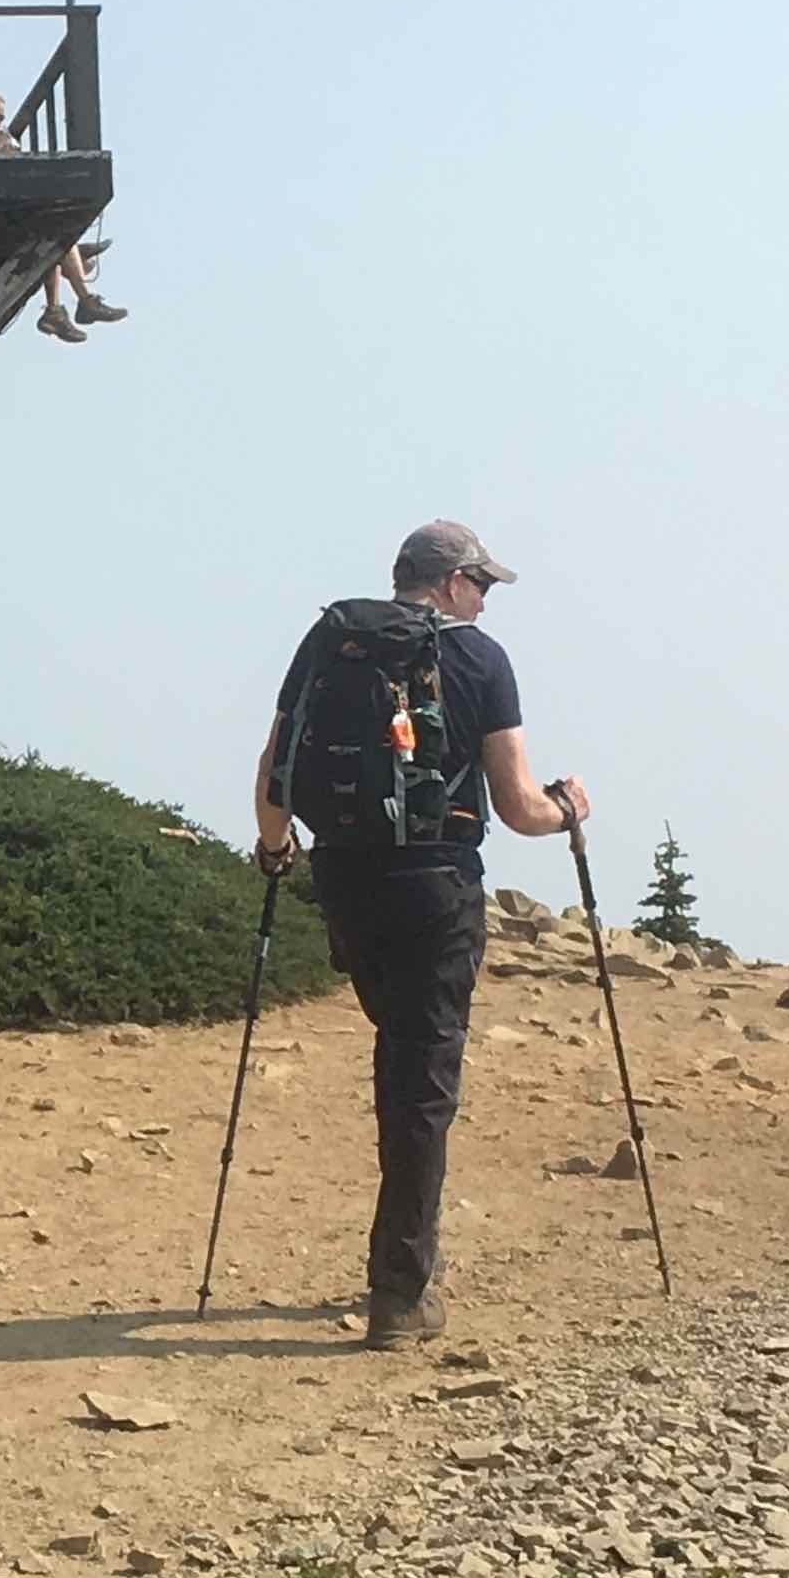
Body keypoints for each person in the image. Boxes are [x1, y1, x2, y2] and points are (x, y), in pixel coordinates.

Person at [252, 522, 591, 1348]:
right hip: (436, 888)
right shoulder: (480, 660)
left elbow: (274, 773)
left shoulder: (330, 642)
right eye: (481, 583)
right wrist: (570, 812)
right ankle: (400, 1295)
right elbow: (515, 806)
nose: (485, 599)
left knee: (400, 1056)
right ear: (447, 582)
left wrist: (275, 850)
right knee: (422, 1087)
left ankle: (402, 1261)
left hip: (343, 881)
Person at [0, 86, 125, 340]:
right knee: (54, 232)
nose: (1, 123)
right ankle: (79, 297)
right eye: (0, 116)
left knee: (53, 236)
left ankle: (61, 306)